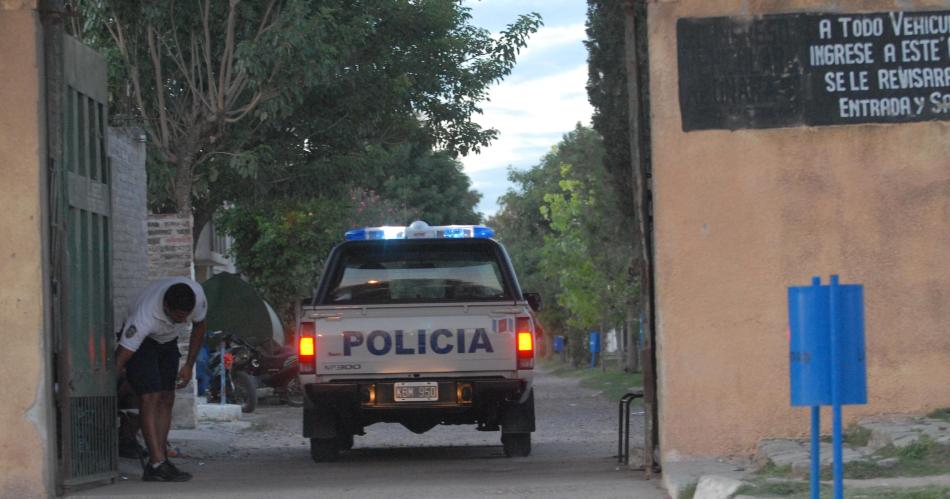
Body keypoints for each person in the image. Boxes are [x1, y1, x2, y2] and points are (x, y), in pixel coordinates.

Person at [116, 277, 207, 482]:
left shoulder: (197, 297)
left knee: (167, 397)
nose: (183, 322)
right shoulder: (143, 318)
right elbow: (121, 357)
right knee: (150, 397)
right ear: (166, 306)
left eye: (186, 317)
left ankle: (161, 460)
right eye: (178, 318)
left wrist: (189, 365)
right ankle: (157, 464)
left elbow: (200, 327)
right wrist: (105, 388)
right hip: (143, 344)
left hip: (167, 341)